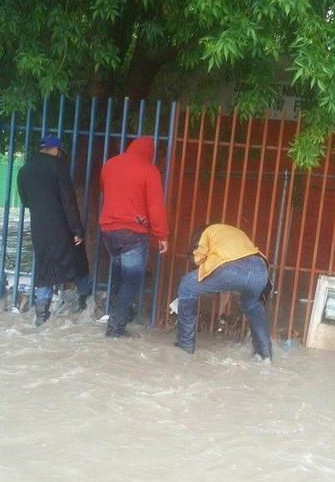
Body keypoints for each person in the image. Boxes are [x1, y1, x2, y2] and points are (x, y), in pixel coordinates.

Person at [17, 134, 91, 326]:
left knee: (44, 268)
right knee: (78, 264)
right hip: (62, 226)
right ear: (55, 149)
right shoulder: (58, 167)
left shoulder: (24, 171)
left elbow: (26, 201)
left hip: (39, 228)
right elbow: (68, 201)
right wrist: (77, 230)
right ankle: (87, 305)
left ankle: (42, 315)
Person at [99, 135, 168, 337]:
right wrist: (162, 235)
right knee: (130, 280)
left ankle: (119, 318)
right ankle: (115, 329)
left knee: (120, 276)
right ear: (150, 153)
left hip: (108, 230)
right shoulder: (149, 170)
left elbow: (104, 189)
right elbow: (155, 207)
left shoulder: (109, 164)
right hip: (132, 233)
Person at [175, 224, 272, 360]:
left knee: (187, 285)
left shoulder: (207, 232)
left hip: (231, 269)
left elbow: (197, 258)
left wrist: (204, 274)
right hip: (260, 270)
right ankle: (265, 356)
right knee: (253, 305)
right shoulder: (236, 232)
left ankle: (184, 348)